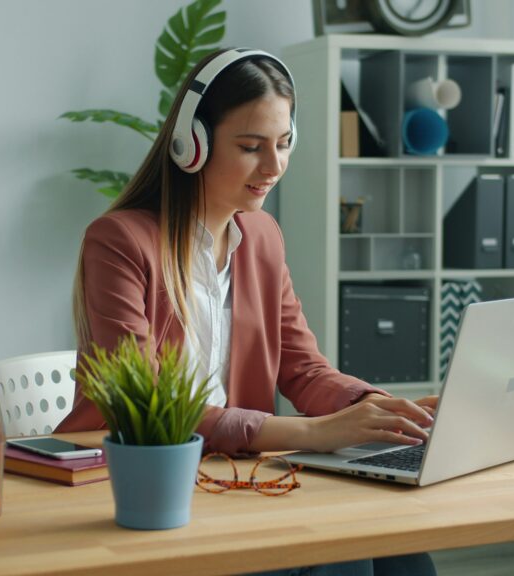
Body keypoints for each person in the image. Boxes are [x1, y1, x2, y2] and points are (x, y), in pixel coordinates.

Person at [56, 48, 437, 576]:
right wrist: (311, 434)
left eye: (283, 144)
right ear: (194, 144)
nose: (274, 166)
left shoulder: (260, 237)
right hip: (141, 486)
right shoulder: (121, 241)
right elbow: (149, 408)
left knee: (398, 541)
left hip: (233, 478)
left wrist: (379, 409)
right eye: (251, 146)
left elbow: (304, 369)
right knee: (340, 553)